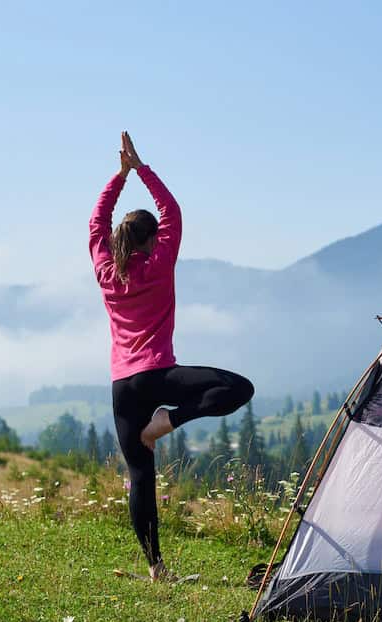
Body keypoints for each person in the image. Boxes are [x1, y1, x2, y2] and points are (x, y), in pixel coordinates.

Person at [89, 132, 254, 581]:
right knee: (239, 389)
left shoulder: (106, 270)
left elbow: (96, 223)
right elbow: (172, 211)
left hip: (123, 388)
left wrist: (119, 177)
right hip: (160, 376)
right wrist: (140, 169)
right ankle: (170, 422)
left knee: (141, 479)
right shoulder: (159, 264)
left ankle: (156, 570)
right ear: (151, 241)